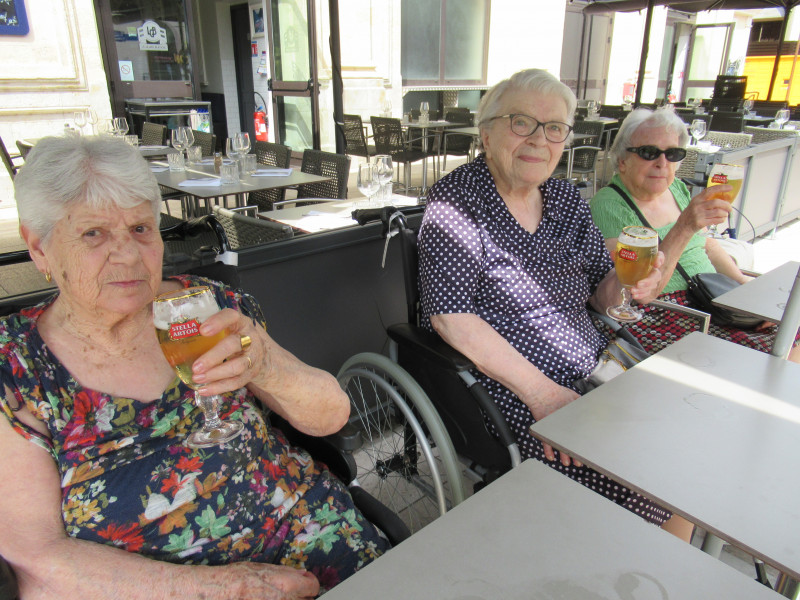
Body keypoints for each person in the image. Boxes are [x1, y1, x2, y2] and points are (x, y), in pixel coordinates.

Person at [0, 136, 390, 600]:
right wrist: (229, 587)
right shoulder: (18, 367)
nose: (127, 255)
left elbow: (331, 416)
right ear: (39, 248)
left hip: (312, 527)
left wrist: (264, 364)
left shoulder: (205, 307)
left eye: (142, 229)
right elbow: (37, 558)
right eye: (93, 233)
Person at [416, 69, 693, 541]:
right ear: (486, 133)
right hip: (510, 386)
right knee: (640, 483)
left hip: (598, 363)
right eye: (520, 122)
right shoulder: (458, 199)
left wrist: (628, 284)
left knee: (680, 449)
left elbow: (599, 293)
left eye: (554, 128)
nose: (538, 139)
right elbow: (450, 314)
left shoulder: (566, 199)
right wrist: (545, 395)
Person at [590, 107, 800, 363]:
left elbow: (705, 244)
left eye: (672, 153)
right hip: (664, 311)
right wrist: (684, 226)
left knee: (792, 332)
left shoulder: (676, 188)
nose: (661, 163)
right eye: (648, 152)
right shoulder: (608, 205)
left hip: (711, 296)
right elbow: (634, 286)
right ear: (622, 160)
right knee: (768, 357)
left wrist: (744, 287)